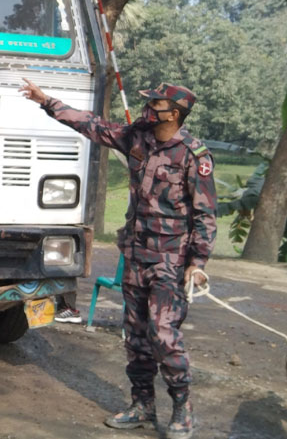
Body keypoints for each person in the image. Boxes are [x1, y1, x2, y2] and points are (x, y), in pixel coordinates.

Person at [20, 79, 216, 439]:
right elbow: (91, 124)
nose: (149, 108)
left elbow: (205, 215)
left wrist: (198, 263)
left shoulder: (193, 155)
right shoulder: (136, 138)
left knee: (163, 335)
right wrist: (47, 101)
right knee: (136, 336)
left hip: (170, 263)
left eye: (156, 104)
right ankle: (142, 406)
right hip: (136, 256)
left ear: (174, 113)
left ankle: (181, 408)